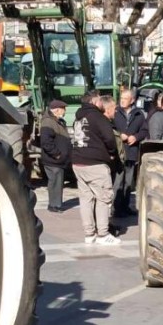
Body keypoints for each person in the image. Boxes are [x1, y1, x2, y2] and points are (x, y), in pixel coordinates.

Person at [70, 91, 122, 245]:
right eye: (99, 99)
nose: (101, 102)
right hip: (95, 163)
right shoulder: (98, 117)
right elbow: (109, 139)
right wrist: (112, 153)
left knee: (86, 199)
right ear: (94, 101)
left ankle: (89, 233)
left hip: (78, 162)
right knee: (103, 199)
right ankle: (103, 234)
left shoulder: (79, 116)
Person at [112, 89, 148, 217]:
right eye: (121, 98)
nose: (122, 100)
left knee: (128, 182)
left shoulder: (139, 114)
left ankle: (125, 206)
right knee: (118, 181)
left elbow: (144, 131)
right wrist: (118, 134)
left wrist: (136, 137)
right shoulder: (115, 112)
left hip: (132, 152)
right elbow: (110, 127)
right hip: (118, 152)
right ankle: (115, 208)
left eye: (125, 98)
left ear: (132, 100)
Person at [38, 99, 71, 213]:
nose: (65, 110)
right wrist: (57, 154)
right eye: (63, 108)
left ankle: (56, 204)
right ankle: (54, 205)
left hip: (57, 160)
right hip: (53, 160)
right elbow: (46, 142)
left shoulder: (57, 121)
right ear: (57, 110)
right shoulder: (48, 122)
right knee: (55, 182)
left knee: (57, 182)